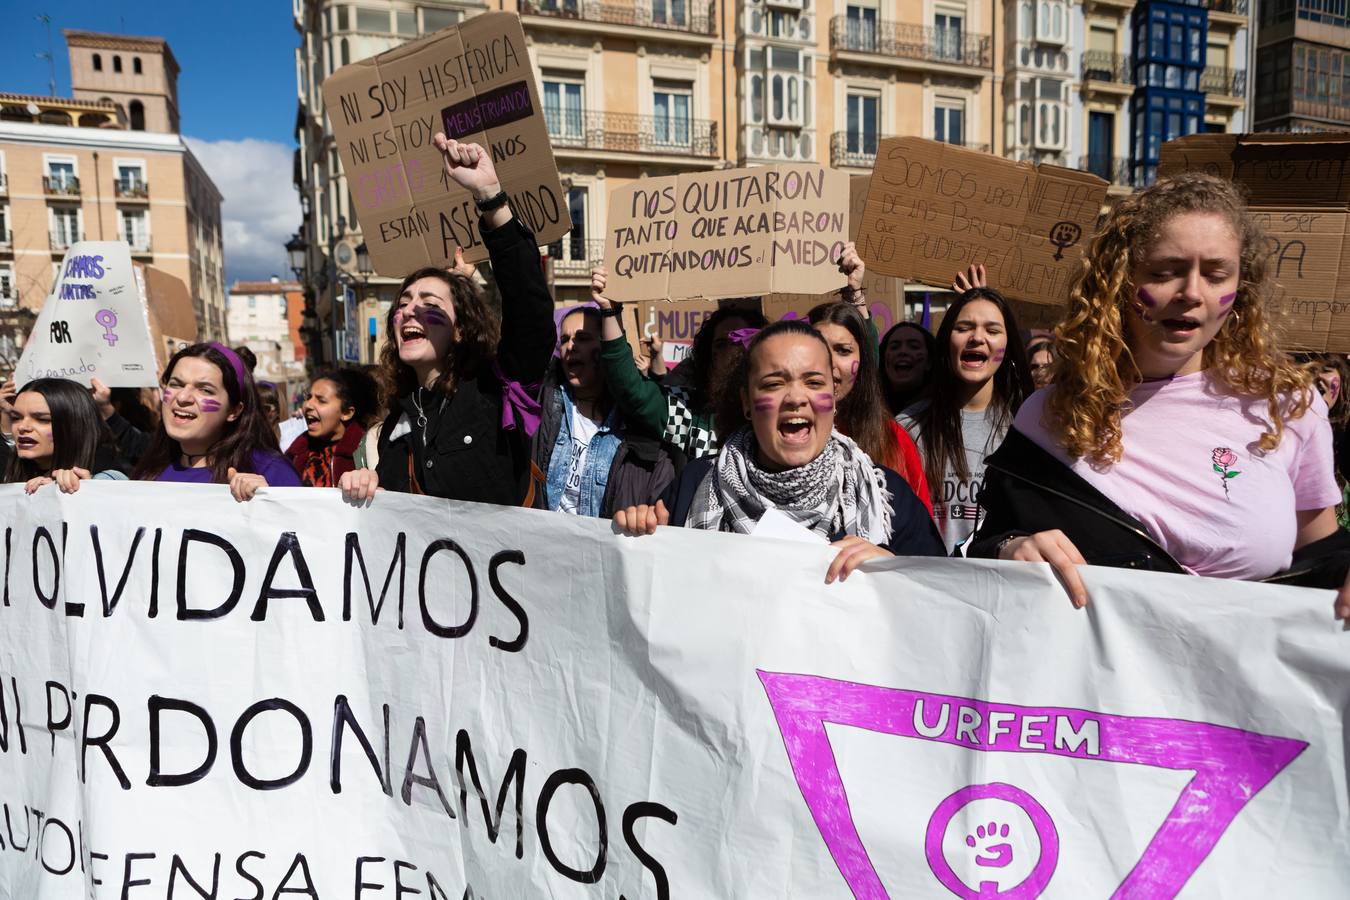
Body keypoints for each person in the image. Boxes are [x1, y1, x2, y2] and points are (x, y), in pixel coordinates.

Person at [968, 173, 1350, 620]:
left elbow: (1320, 549)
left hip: (1246, 681)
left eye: (1215, 274)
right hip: (1095, 685)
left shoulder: (1288, 405)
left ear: (1240, 286)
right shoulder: (1048, 415)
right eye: (1165, 273)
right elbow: (985, 543)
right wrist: (1011, 549)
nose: (1191, 294)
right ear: (1120, 279)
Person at [614, 320, 943, 581]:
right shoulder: (693, 485)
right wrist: (637, 536)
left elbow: (943, 602)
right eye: (774, 383)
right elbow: (654, 601)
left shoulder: (885, 497)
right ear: (746, 401)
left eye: (814, 382)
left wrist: (895, 573)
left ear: (833, 397)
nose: (796, 398)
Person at [342, 136, 555, 505]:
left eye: (429, 303)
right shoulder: (395, 424)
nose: (410, 310)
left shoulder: (496, 391)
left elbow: (529, 307)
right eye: (404, 303)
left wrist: (491, 197)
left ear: (460, 330)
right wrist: (366, 483)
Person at [900, 286, 1033, 554]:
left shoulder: (1028, 428)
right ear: (947, 340)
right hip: (925, 587)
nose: (977, 338)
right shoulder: (908, 426)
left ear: (1007, 348)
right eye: (964, 327)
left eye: (992, 330)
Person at [592, 267, 766, 460]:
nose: (732, 351)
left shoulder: (775, 408)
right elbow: (631, 390)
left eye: (740, 341)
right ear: (708, 356)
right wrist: (610, 311)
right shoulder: (688, 410)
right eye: (721, 344)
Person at [529, 304, 680, 517]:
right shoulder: (545, 405)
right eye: (564, 340)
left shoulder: (636, 424)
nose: (571, 346)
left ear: (604, 347)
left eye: (582, 338)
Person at [132, 342, 301, 500]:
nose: (182, 397)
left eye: (205, 390)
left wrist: (272, 500)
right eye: (176, 384)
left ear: (234, 410)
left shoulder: (270, 471)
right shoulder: (149, 471)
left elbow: (302, 527)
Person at [808, 301, 932, 515]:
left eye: (843, 350)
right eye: (818, 348)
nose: (829, 362)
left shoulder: (893, 439)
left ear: (864, 361)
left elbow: (920, 534)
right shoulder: (781, 434)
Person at [5, 378, 128, 492]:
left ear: (74, 425)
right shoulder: (9, 470)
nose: (22, 427)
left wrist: (88, 492)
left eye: (42, 419)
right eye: (16, 418)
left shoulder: (105, 479)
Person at [285, 368, 380, 487]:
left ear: (346, 413)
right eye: (308, 397)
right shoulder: (296, 453)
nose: (308, 405)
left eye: (321, 401)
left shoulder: (368, 452)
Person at [879, 321, 937, 416]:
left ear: (929, 362)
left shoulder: (942, 411)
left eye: (914, 347)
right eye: (894, 347)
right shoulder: (867, 407)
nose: (903, 352)